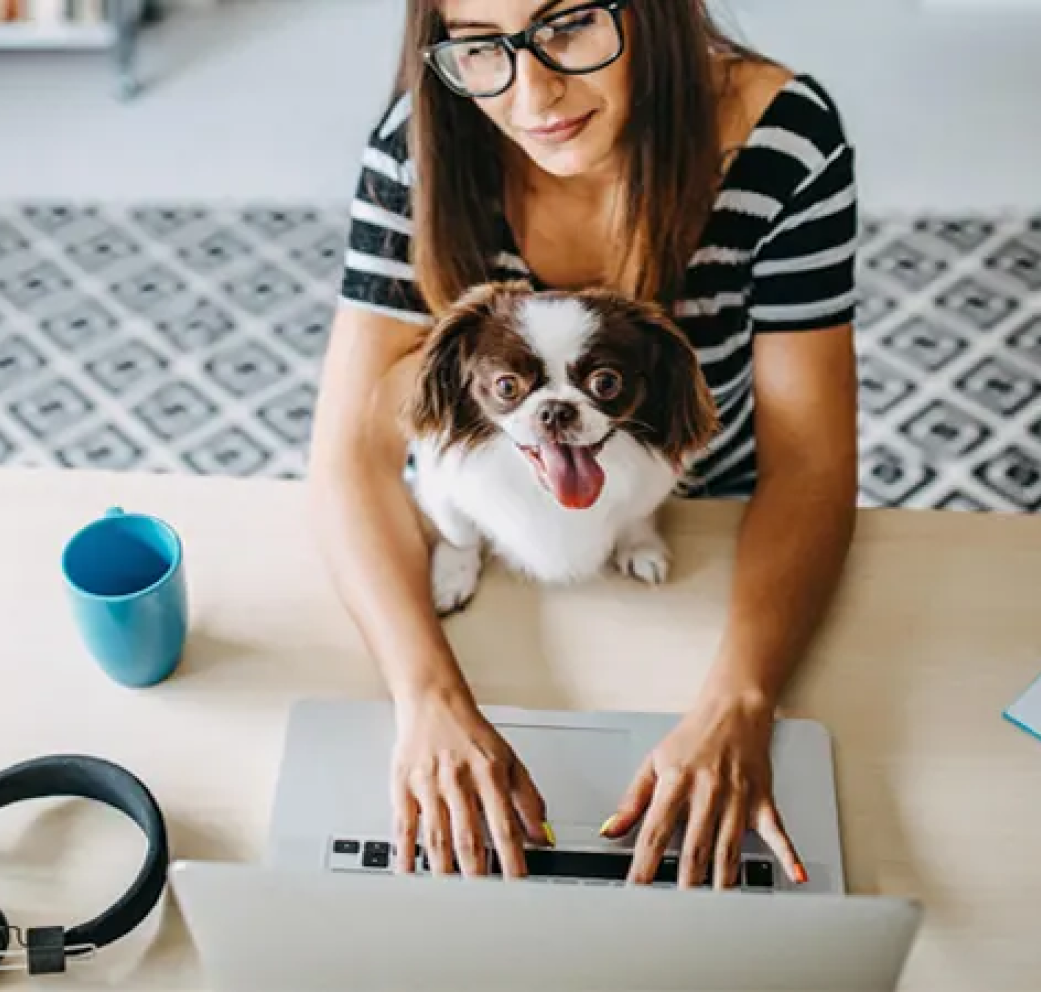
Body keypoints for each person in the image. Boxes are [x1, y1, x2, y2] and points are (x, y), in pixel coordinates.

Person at [307, 0, 859, 891]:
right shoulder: (424, 141)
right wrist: (427, 700)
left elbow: (813, 463)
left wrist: (740, 704)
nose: (532, 93)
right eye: (482, 47)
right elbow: (349, 459)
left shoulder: (784, 142)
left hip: (708, 524)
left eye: (566, 24)